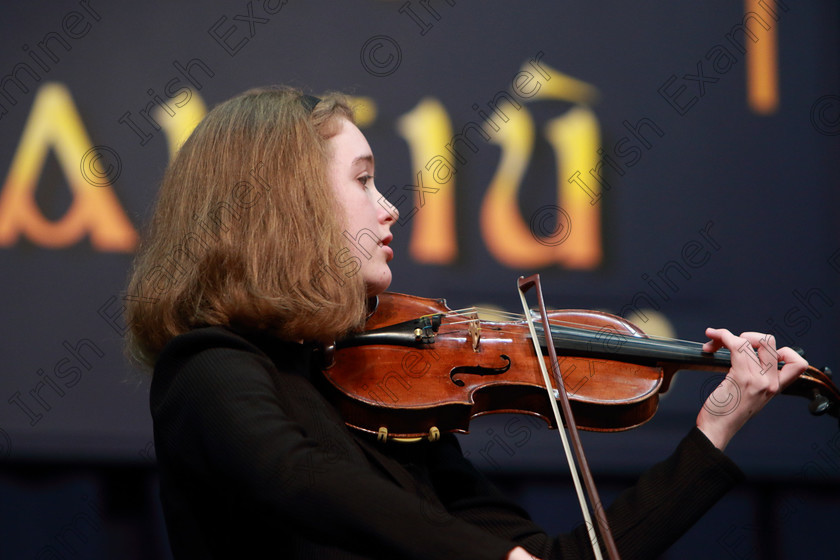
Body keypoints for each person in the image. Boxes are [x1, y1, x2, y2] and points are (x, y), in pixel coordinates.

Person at [125, 86, 808, 559]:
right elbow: (299, 477)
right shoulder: (210, 367)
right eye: (363, 179)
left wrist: (714, 430)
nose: (389, 207)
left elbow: (554, 558)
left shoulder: (381, 394)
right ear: (288, 203)